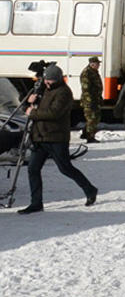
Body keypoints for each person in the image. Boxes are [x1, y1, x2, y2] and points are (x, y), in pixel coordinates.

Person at [19, 63, 98, 214]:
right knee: (33, 169)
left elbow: (54, 113)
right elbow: (28, 103)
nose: (46, 82)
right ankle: (36, 203)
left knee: (65, 168)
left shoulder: (63, 93)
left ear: (56, 79)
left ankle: (90, 189)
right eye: (45, 80)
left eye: (49, 80)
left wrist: (32, 113)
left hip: (56, 137)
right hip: (40, 136)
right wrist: (29, 100)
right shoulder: (46, 89)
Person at [80, 56, 102, 143]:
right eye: (97, 64)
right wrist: (90, 101)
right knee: (91, 118)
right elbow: (86, 89)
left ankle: (85, 133)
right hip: (89, 100)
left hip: (95, 99)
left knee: (96, 117)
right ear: (92, 64)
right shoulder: (87, 73)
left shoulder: (94, 72)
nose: (99, 65)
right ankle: (90, 137)